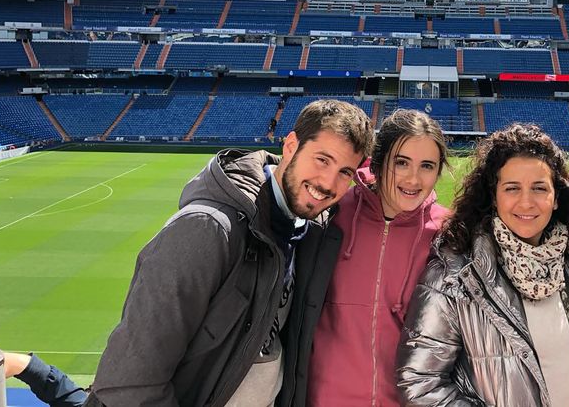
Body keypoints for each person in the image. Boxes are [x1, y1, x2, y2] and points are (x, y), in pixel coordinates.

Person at [84, 98, 374, 407]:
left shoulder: (303, 229)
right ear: (291, 146)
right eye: (322, 159)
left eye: (345, 172)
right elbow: (130, 381)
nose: (328, 182)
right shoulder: (207, 229)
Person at [397, 123, 569, 407]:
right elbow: (418, 382)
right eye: (512, 188)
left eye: (539, 188)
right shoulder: (455, 274)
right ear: (494, 197)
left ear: (556, 197)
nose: (526, 202)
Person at [303, 108, 449, 407]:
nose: (413, 178)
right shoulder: (333, 212)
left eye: (427, 166)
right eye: (402, 162)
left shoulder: (448, 232)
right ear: (379, 163)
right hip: (325, 398)